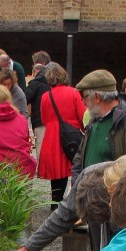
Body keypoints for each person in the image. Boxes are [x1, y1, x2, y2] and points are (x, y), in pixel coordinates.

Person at [14, 69, 126, 251]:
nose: (84, 102)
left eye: (85, 97)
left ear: (96, 97)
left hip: (122, 219)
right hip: (96, 209)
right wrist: (31, 246)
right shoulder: (94, 123)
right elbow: (79, 163)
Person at [36, 62, 85, 207]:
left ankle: (55, 201)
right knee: (74, 168)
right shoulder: (74, 93)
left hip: (52, 135)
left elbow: (44, 119)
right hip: (70, 133)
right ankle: (72, 203)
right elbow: (83, 116)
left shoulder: (46, 96)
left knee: (57, 172)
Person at [24, 53, 51, 155]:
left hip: (40, 120)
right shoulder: (53, 79)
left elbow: (25, 98)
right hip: (54, 119)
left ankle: (42, 170)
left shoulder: (36, 82)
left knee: (41, 148)